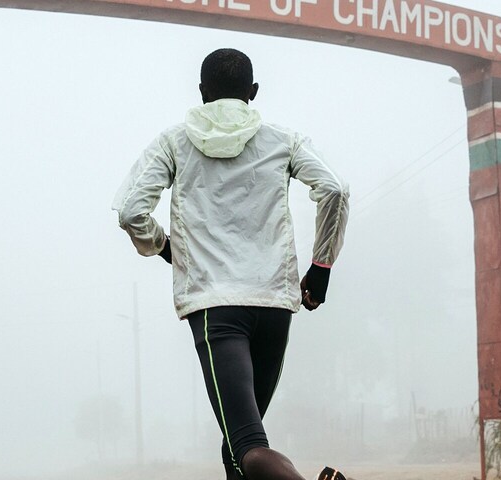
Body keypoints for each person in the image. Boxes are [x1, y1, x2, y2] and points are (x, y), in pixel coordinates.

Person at [113, 48, 351, 480]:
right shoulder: (284, 141)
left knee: (247, 445)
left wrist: (167, 248)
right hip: (276, 305)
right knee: (237, 446)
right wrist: (322, 265)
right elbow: (334, 189)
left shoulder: (173, 143)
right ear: (253, 92)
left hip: (216, 308)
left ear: (202, 93)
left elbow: (131, 211)